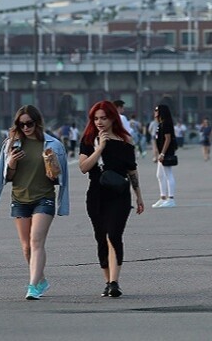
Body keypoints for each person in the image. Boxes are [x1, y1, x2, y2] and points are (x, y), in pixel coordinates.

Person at [0, 105, 69, 300]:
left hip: (44, 198)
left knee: (36, 241)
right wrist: (12, 163)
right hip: (20, 198)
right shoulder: (11, 144)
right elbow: (5, 176)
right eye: (21, 124)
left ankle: (33, 286)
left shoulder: (53, 144)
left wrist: (52, 167)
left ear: (37, 122)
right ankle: (40, 279)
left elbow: (59, 179)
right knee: (26, 247)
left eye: (29, 123)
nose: (25, 128)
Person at [78, 100, 144, 298]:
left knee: (114, 235)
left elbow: (132, 170)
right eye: (96, 118)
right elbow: (83, 167)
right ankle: (107, 281)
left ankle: (115, 282)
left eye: (103, 118)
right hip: (96, 194)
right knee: (101, 237)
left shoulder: (126, 141)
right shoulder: (89, 140)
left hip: (119, 194)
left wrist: (139, 196)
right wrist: (100, 148)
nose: (99, 122)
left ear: (112, 118)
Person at [151, 104, 178, 208]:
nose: (155, 113)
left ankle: (171, 199)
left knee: (168, 174)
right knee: (160, 175)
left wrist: (162, 153)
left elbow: (168, 139)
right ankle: (162, 198)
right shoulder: (160, 124)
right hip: (161, 153)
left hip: (166, 153)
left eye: (156, 111)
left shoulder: (166, 123)